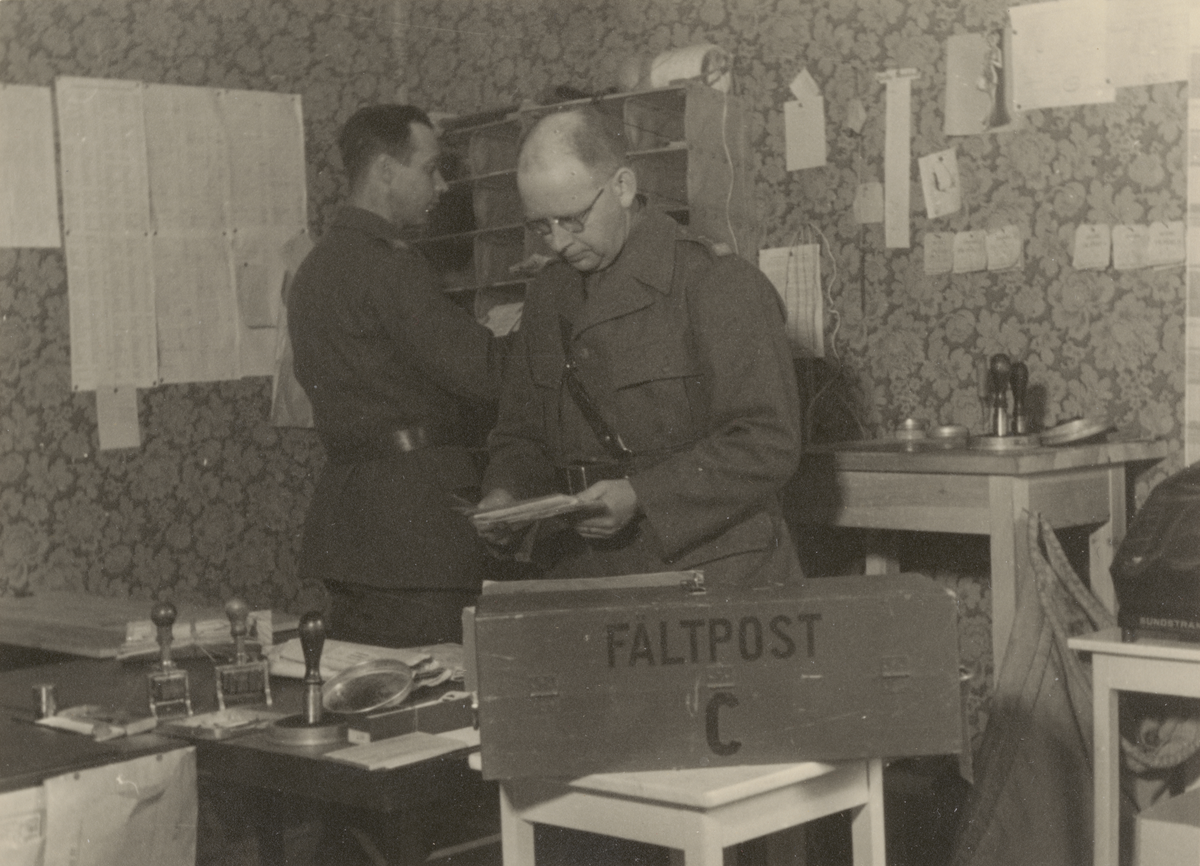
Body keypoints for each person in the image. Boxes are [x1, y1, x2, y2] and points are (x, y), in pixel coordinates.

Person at [476, 106, 803, 588]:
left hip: (713, 571)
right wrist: (507, 494)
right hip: (589, 574)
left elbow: (767, 441)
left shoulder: (716, 282)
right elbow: (522, 433)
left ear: (623, 187)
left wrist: (642, 495)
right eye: (541, 227)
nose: (558, 243)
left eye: (572, 219)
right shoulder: (549, 295)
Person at [289, 104, 508, 649]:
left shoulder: (314, 269)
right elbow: (484, 374)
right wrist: (537, 325)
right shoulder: (392, 266)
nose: (442, 185)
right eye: (430, 169)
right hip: (418, 532)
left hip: (348, 529)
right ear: (385, 171)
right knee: (438, 689)